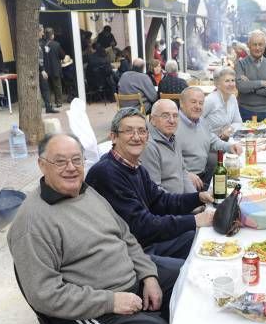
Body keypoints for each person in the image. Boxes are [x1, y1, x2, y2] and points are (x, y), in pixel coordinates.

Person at [8, 133, 186, 324]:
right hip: (84, 312)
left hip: (128, 280)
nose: (71, 168)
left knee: (187, 277)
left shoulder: (86, 191)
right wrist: (111, 301)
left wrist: (148, 276)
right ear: (41, 165)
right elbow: (45, 295)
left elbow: (125, 235)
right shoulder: (32, 223)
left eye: (76, 160)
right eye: (60, 162)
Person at [86, 108, 214, 272]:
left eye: (141, 131)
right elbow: (142, 226)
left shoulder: (135, 166)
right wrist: (194, 220)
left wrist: (199, 197)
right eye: (129, 131)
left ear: (147, 135)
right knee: (188, 272)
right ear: (113, 136)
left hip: (145, 242)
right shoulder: (106, 172)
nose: (137, 137)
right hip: (127, 255)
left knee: (199, 238)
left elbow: (161, 201)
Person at [176, 87, 242, 190]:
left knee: (236, 188)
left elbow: (213, 141)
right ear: (182, 103)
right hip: (185, 181)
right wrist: (185, 174)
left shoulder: (201, 121)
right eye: (193, 102)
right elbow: (167, 161)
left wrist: (230, 146)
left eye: (201, 103)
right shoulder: (173, 125)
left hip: (204, 175)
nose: (198, 106)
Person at [140, 99, 195, 194]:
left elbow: (183, 172)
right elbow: (154, 191)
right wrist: (184, 203)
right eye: (165, 116)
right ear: (153, 120)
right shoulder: (149, 146)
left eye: (175, 116)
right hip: (167, 205)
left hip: (180, 201)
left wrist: (195, 199)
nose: (172, 121)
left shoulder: (173, 137)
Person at [235, 30, 266, 121]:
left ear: (265, 45)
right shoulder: (241, 64)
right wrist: (262, 83)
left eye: (260, 44)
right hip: (246, 112)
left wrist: (251, 86)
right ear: (248, 45)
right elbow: (241, 87)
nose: (257, 48)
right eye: (254, 44)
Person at [202, 66, 242, 140]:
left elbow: (238, 122)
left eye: (233, 80)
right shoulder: (210, 100)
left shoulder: (233, 98)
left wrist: (229, 130)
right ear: (217, 84)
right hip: (208, 144)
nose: (231, 84)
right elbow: (196, 123)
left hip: (226, 142)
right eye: (227, 81)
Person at [44, 27, 65, 108]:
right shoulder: (56, 44)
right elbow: (62, 56)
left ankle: (49, 103)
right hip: (55, 69)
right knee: (57, 86)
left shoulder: (42, 45)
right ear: (52, 35)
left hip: (45, 70)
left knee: (47, 88)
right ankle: (58, 102)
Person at [38, 25, 57, 114]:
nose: (42, 34)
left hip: (42, 69)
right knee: (45, 88)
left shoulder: (40, 42)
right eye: (41, 31)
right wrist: (42, 70)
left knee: (45, 88)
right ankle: (48, 107)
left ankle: (48, 106)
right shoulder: (36, 43)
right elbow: (38, 58)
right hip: (40, 70)